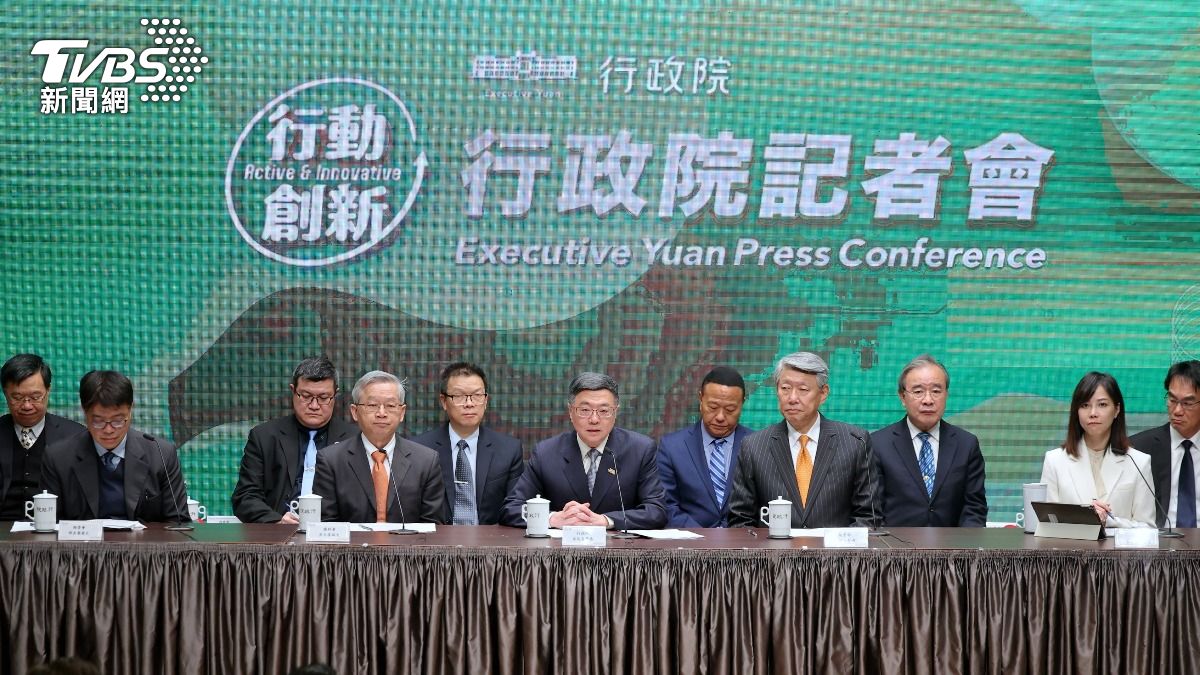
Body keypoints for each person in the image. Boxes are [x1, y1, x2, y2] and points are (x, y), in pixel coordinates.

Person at [501, 372, 667, 530]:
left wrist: (606, 520)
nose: (594, 419)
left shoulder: (640, 450)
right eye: (585, 410)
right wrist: (552, 519)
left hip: (618, 548)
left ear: (615, 412)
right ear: (571, 412)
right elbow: (512, 509)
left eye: (604, 411)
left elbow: (656, 511)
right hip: (561, 549)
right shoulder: (546, 453)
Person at [727, 352, 875, 528]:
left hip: (835, 546)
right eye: (785, 388)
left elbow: (868, 517)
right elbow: (741, 521)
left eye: (803, 390)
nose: (792, 398)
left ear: (823, 393)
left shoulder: (855, 442)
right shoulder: (754, 446)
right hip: (775, 546)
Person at [42, 370, 188, 522]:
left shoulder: (161, 454)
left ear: (130, 410)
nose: (108, 430)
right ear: (85, 412)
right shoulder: (58, 458)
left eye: (118, 421)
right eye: (98, 421)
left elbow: (178, 523)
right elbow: (50, 525)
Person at [231, 357, 356, 523]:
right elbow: (245, 497)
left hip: (334, 533)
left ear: (335, 395)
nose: (314, 405)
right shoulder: (264, 437)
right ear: (293, 391)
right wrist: (276, 520)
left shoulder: (354, 440)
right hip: (279, 532)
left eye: (323, 397)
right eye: (306, 396)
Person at [313, 371, 445, 524]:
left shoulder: (426, 461)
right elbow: (325, 525)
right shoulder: (331, 461)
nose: (381, 413)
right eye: (372, 405)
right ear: (355, 412)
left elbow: (433, 526)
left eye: (390, 405)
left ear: (402, 412)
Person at [871, 355, 988, 526]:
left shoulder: (966, 444)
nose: (928, 400)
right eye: (918, 392)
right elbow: (873, 511)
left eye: (936, 391)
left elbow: (974, 509)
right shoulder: (878, 444)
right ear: (902, 397)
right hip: (896, 542)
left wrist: (964, 542)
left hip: (953, 542)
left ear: (946, 395)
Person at [411, 362, 523, 525]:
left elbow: (514, 507)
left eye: (477, 395)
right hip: (437, 538)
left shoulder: (508, 450)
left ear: (486, 400)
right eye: (459, 396)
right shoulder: (420, 449)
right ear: (444, 401)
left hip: (489, 539)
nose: (469, 403)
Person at [1039, 371, 1154, 528]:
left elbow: (1148, 528)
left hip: (1119, 545)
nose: (1093, 413)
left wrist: (1109, 521)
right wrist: (1087, 518)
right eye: (1085, 405)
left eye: (1102, 405)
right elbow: (1046, 525)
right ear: (1076, 411)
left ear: (1117, 409)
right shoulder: (1055, 461)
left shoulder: (1139, 462)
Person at [656, 366, 753, 527]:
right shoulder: (672, 447)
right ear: (700, 399)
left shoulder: (757, 446)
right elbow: (666, 506)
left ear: (742, 404)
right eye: (713, 407)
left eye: (730, 409)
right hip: (690, 539)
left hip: (743, 539)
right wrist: (703, 537)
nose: (720, 417)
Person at [0, 354, 84, 520]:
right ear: (5, 393)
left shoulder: (75, 436)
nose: (27, 405)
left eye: (35, 397)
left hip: (55, 527)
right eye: (17, 397)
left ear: (48, 390)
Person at [1130, 360, 1200, 528]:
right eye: (1172, 400)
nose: (1177, 410)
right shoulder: (1139, 449)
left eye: (1187, 403)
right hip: (1158, 540)